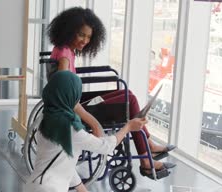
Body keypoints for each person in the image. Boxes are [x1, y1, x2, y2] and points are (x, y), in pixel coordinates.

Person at [0, 71, 148, 192]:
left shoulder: (46, 120)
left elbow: (65, 166)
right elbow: (105, 146)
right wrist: (128, 127)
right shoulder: (70, 127)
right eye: (77, 94)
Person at [47, 6, 175, 177]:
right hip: (77, 107)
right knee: (129, 101)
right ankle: (146, 155)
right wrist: (94, 123)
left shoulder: (65, 49)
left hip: (78, 100)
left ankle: (148, 148)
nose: (85, 40)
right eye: (81, 34)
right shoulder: (64, 56)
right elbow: (66, 99)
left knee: (128, 96)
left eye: (88, 37)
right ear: (70, 31)